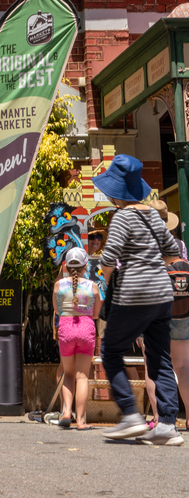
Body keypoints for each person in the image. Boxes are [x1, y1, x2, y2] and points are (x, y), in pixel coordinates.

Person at [94, 155, 183, 445]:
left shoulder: (122, 217)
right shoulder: (152, 217)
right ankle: (168, 425)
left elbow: (110, 256)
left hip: (133, 294)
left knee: (110, 351)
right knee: (160, 358)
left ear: (115, 191)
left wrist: (102, 281)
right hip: (161, 295)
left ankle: (131, 415)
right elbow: (173, 254)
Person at [52, 247, 99, 430]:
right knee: (82, 376)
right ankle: (80, 421)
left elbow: (57, 310)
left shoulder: (59, 285)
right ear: (85, 266)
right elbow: (96, 314)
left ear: (66, 265)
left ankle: (65, 413)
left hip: (66, 328)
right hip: (86, 328)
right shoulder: (92, 286)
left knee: (68, 374)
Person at [162, 243, 189, 428]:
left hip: (162, 318)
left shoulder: (159, 267)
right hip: (184, 317)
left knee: (158, 367)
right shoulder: (186, 265)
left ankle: (161, 418)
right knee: (183, 368)